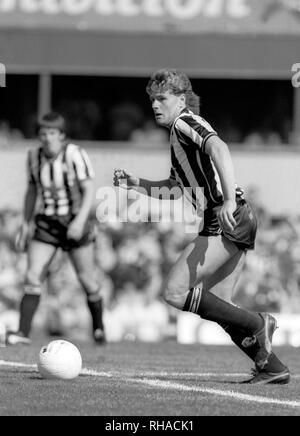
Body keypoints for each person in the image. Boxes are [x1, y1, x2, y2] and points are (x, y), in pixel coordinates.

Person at [114, 69, 290, 384]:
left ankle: (258, 322)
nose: (155, 105)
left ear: (181, 100)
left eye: (162, 98)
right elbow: (174, 184)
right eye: (153, 99)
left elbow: (220, 148)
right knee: (220, 306)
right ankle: (272, 367)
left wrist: (227, 203)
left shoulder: (184, 122)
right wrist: (136, 184)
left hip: (225, 216)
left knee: (174, 291)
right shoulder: (177, 134)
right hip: (235, 217)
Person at [6, 112, 105, 345]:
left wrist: (80, 222)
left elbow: (89, 189)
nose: (47, 138)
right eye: (43, 134)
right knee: (32, 275)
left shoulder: (75, 154)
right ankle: (22, 333)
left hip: (74, 220)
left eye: (52, 133)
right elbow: (31, 191)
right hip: (47, 223)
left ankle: (99, 329)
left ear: (61, 135)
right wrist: (25, 223)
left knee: (87, 280)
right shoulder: (33, 156)